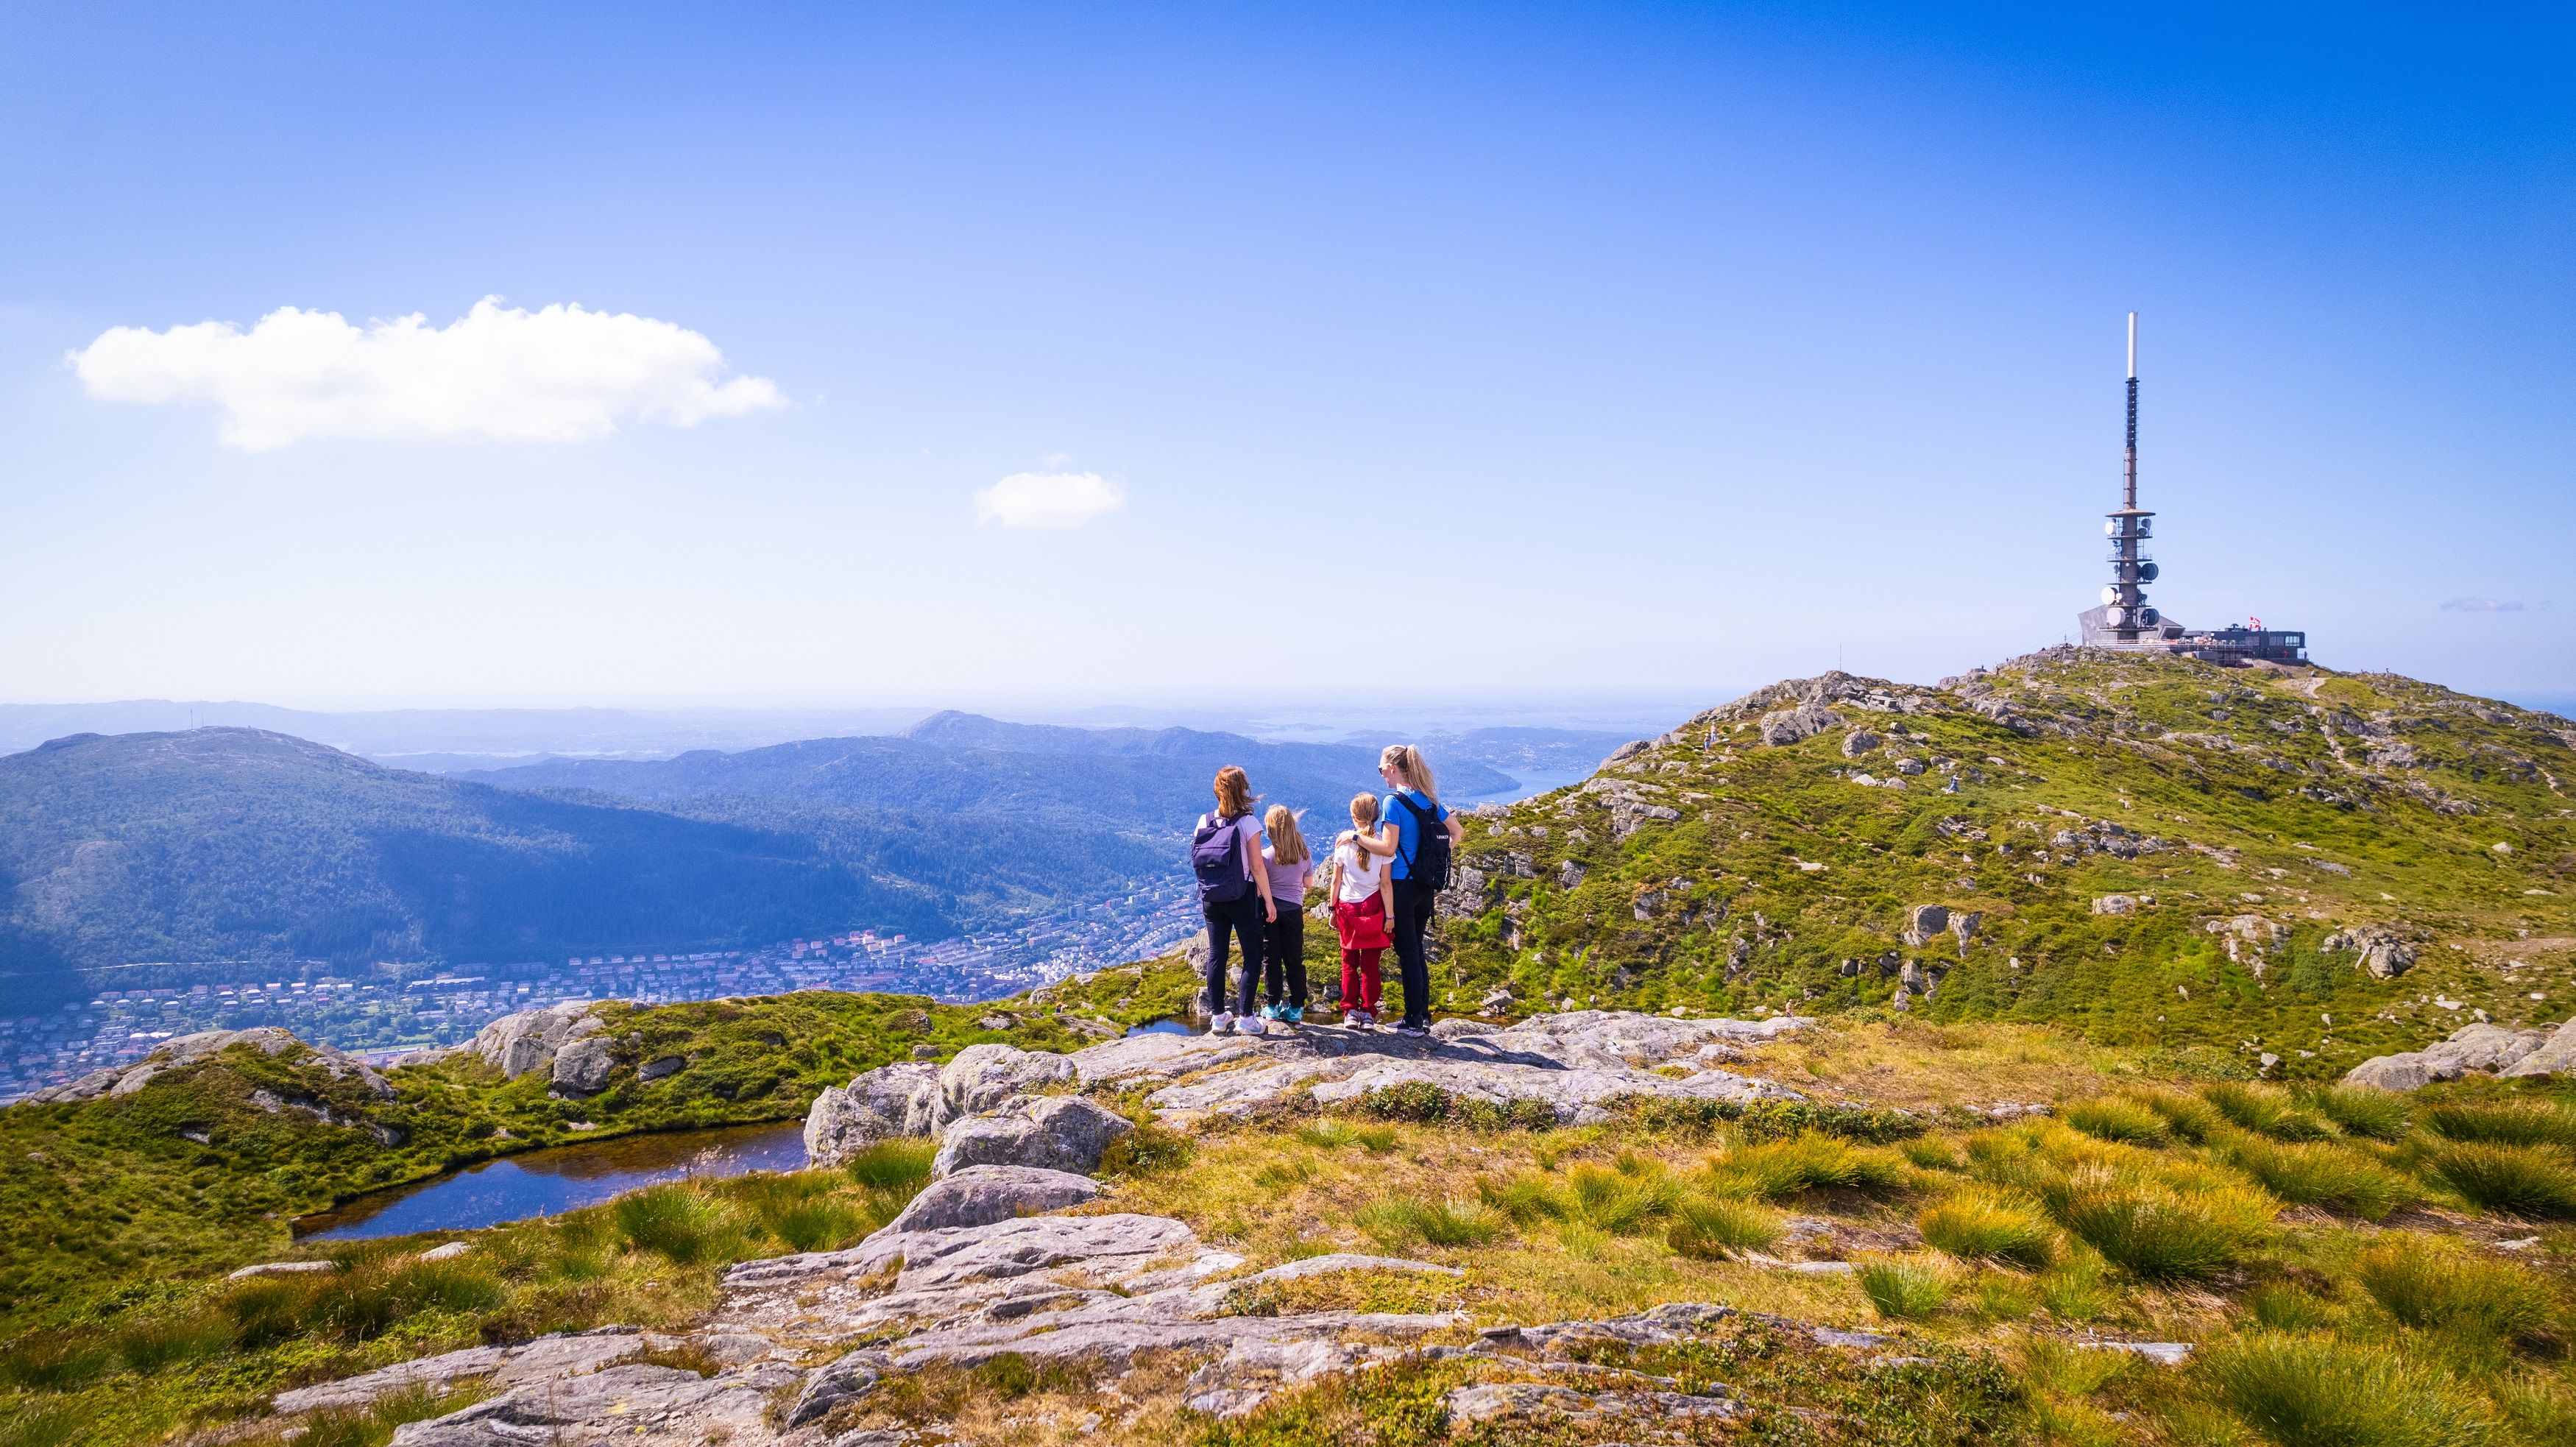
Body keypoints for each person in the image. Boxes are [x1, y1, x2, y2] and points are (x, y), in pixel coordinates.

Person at [1356, 744, 1462, 1037]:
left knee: (1408, 952)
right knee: (1416, 950)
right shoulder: (1427, 799)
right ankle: (1421, 1016)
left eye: (1381, 769)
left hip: (1402, 885)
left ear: (1392, 768)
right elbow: (1457, 832)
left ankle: (1414, 1020)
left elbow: (1388, 847)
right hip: (1424, 887)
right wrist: (1434, 859)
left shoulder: (1393, 801)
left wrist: (1355, 837)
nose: (1380, 775)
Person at [1189, 765, 1276, 1035]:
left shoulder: (1204, 822)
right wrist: (1269, 902)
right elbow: (1257, 866)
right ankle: (1247, 1018)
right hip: (1242, 896)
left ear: (1217, 790)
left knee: (1217, 954)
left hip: (1212, 898)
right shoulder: (1248, 823)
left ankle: (1218, 1017)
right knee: (1252, 955)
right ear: (1243, 790)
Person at [1324, 792, 1394, 1027]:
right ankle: (1368, 1013)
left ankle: (1350, 1012)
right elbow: (1385, 884)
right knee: (1371, 966)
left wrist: (1333, 908)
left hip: (1348, 909)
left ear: (1355, 817)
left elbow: (1336, 881)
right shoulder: (1383, 847)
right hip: (1374, 907)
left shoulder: (1343, 845)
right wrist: (1390, 915)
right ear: (1375, 816)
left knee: (1349, 963)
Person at [1257, 804, 1314, 1025]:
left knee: (1271, 959)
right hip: (1294, 911)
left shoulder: (1265, 857)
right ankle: (1297, 1007)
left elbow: (1260, 887)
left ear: (1271, 831)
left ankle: (1272, 1006)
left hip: (1270, 911)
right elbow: (1308, 884)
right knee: (1294, 959)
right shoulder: (1304, 854)